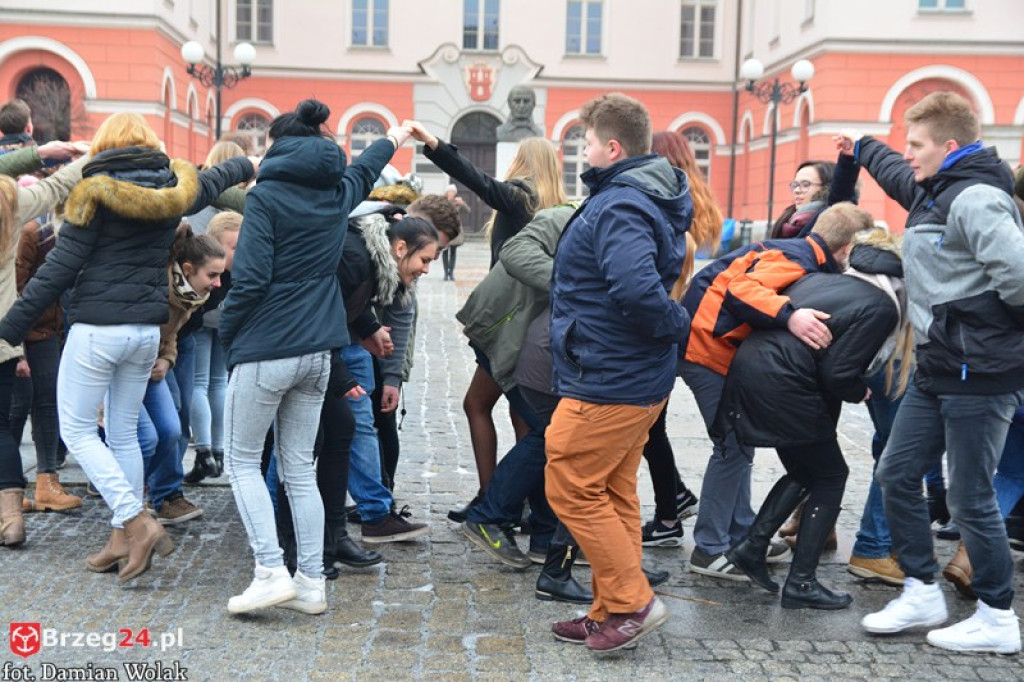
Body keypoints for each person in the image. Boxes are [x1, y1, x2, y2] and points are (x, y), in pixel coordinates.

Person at [0, 111, 254, 571]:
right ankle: (123, 538)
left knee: (77, 429)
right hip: (145, 333)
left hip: (98, 328)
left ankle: (136, 519)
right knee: (122, 433)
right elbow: (224, 173)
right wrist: (247, 163)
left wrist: (7, 329)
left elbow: (56, 272)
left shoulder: (91, 195)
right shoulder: (175, 188)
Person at [219, 99, 409, 615]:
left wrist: (227, 333)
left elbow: (251, 280)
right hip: (318, 351)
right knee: (299, 467)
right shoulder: (337, 192)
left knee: (240, 462)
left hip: (266, 346)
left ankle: (268, 571)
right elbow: (367, 169)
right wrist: (396, 134)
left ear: (276, 148)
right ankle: (310, 583)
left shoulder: (266, 198)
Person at [853, 91, 1024, 655]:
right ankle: (921, 588)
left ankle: (998, 617)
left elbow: (1020, 279)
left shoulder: (976, 197)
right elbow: (897, 172)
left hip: (980, 370)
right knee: (896, 474)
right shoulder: (937, 190)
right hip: (938, 365)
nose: (909, 154)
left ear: (949, 147)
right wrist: (862, 148)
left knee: (970, 496)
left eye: (917, 145)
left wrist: (982, 332)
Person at [545, 93, 691, 653]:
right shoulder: (635, 196)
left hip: (610, 375)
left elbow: (636, 289)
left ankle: (632, 602)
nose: (582, 152)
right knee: (611, 488)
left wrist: (676, 323)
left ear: (612, 147)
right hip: (625, 372)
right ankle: (611, 607)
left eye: (585, 142)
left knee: (570, 478)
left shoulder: (621, 204)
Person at [720, 219, 909, 610]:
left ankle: (752, 548)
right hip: (786, 384)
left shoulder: (823, 280)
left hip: (752, 372)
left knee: (806, 470)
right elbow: (838, 373)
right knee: (831, 475)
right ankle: (801, 581)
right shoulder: (880, 305)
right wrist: (862, 390)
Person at [681, 182, 866, 581]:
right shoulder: (799, 259)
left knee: (740, 444)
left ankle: (741, 530)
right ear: (846, 251)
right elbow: (741, 289)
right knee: (732, 446)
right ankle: (709, 549)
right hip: (705, 350)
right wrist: (790, 315)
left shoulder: (801, 249)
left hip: (708, 346)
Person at [411, 122, 566, 521]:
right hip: (533, 327)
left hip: (507, 327)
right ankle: (528, 504)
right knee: (523, 416)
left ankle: (494, 498)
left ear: (523, 164)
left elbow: (477, 181)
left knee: (477, 404)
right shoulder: (556, 211)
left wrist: (434, 146)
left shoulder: (519, 199)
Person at [639, 130, 724, 547]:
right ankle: (674, 498)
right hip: (682, 321)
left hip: (662, 326)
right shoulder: (700, 205)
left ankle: (670, 512)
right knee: (652, 426)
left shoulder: (665, 209)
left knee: (648, 426)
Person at [0, 143, 85, 546]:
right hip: (11, 336)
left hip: (22, 335)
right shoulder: (17, 213)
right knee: (6, 424)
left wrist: (36, 152)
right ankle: (12, 517)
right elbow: (61, 184)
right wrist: (96, 154)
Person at [184, 211, 241, 485]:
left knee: (199, 383)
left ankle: (204, 451)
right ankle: (218, 454)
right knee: (219, 383)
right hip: (226, 323)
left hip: (202, 321)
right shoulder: (241, 270)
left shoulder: (210, 264)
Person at [769, 161, 836, 239]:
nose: (796, 190)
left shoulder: (830, 225)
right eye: (795, 185)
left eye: (805, 184)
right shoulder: (786, 218)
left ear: (825, 188)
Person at [442, 184, 468, 281]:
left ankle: (451, 273)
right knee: (444, 251)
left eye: (453, 192)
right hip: (445, 228)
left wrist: (462, 203)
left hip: (455, 230)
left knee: (453, 251)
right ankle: (445, 273)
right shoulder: (443, 202)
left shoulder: (458, 202)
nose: (451, 193)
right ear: (446, 192)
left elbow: (467, 211)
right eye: (449, 191)